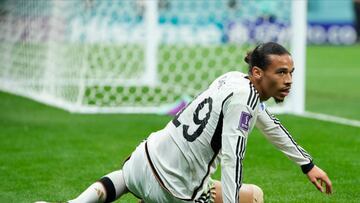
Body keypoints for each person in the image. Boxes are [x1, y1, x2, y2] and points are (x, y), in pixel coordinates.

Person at [37, 42, 332, 203]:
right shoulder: (246, 101)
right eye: (281, 72)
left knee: (129, 177)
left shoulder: (232, 78)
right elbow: (233, 158)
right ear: (257, 73)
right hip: (174, 192)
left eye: (291, 72)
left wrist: (306, 164)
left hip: (141, 160)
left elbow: (268, 123)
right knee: (253, 197)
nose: (289, 80)